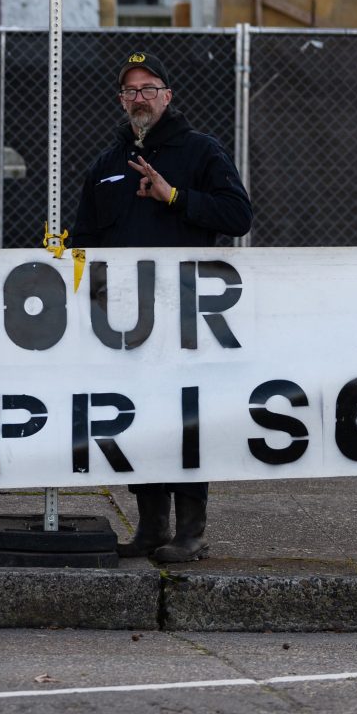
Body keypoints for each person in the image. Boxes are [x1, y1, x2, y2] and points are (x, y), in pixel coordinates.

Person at [70, 49, 252, 564]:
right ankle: (151, 526)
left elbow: (238, 215)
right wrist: (92, 292)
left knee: (186, 419)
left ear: (168, 96)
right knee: (139, 416)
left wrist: (175, 197)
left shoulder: (200, 151)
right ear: (121, 101)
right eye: (130, 90)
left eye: (149, 88)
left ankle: (191, 531)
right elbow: (85, 239)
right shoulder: (106, 164)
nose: (140, 98)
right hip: (126, 321)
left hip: (186, 316)